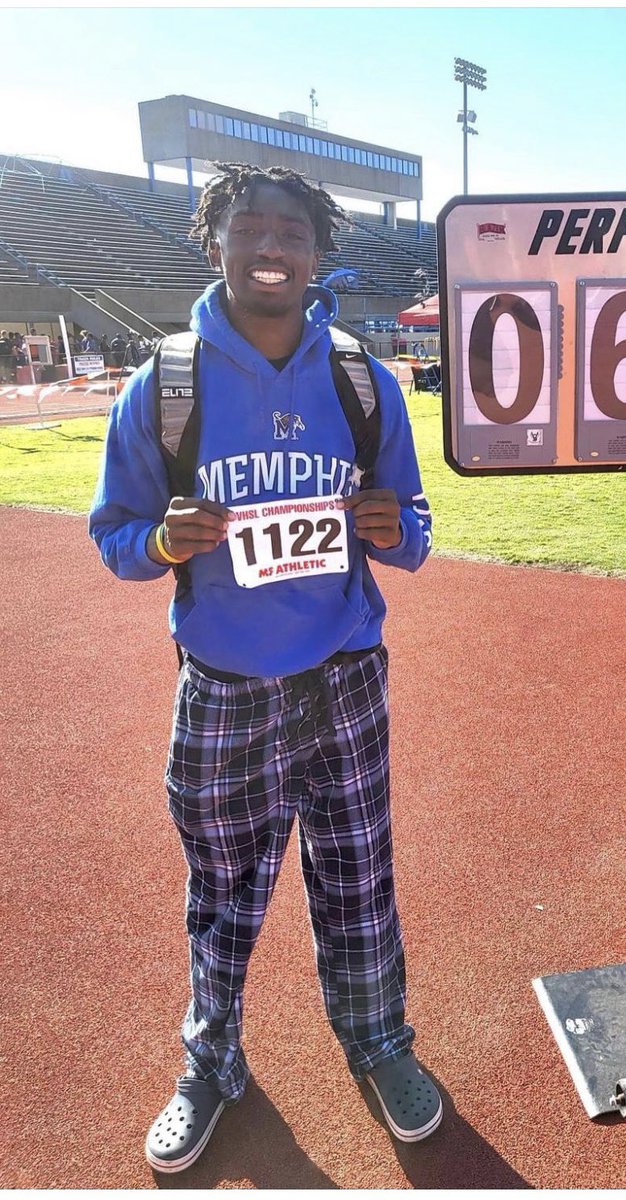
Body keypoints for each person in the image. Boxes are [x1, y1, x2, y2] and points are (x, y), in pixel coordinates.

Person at [88, 161, 438, 1174]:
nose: (271, 247)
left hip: (343, 677)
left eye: (292, 231)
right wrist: (164, 540)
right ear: (217, 243)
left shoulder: (362, 380)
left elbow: (415, 529)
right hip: (224, 688)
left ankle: (379, 1041)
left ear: (318, 253)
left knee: (359, 877)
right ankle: (211, 1062)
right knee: (222, 890)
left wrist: (394, 529)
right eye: (250, 228)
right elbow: (115, 536)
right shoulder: (167, 384)